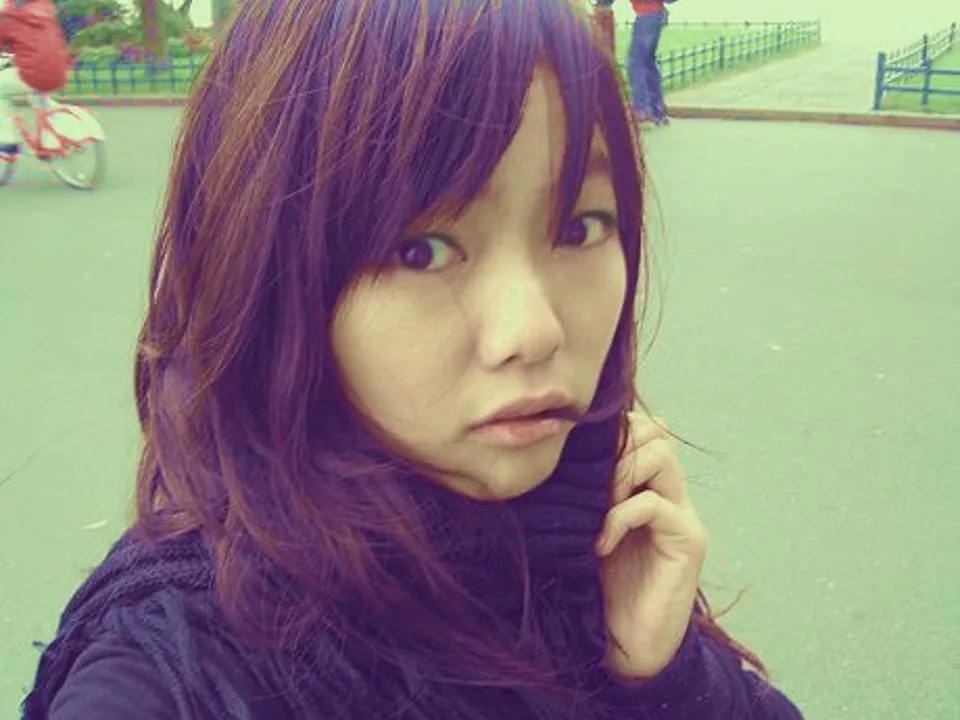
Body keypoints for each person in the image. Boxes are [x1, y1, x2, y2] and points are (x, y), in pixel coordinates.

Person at [21, 1, 804, 718]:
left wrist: (669, 680)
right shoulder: (183, 667)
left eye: (579, 228)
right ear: (269, 273)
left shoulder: (600, 545)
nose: (533, 332)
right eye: (421, 249)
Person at [0, 0, 71, 166]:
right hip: (59, 71)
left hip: (34, 74)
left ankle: (8, 141)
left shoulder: (7, 16)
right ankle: (50, 138)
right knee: (36, 94)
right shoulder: (46, 8)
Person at [628, 0, 671, 126]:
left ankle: (643, 110)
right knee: (647, 63)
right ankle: (657, 111)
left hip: (647, 15)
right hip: (654, 14)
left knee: (636, 63)